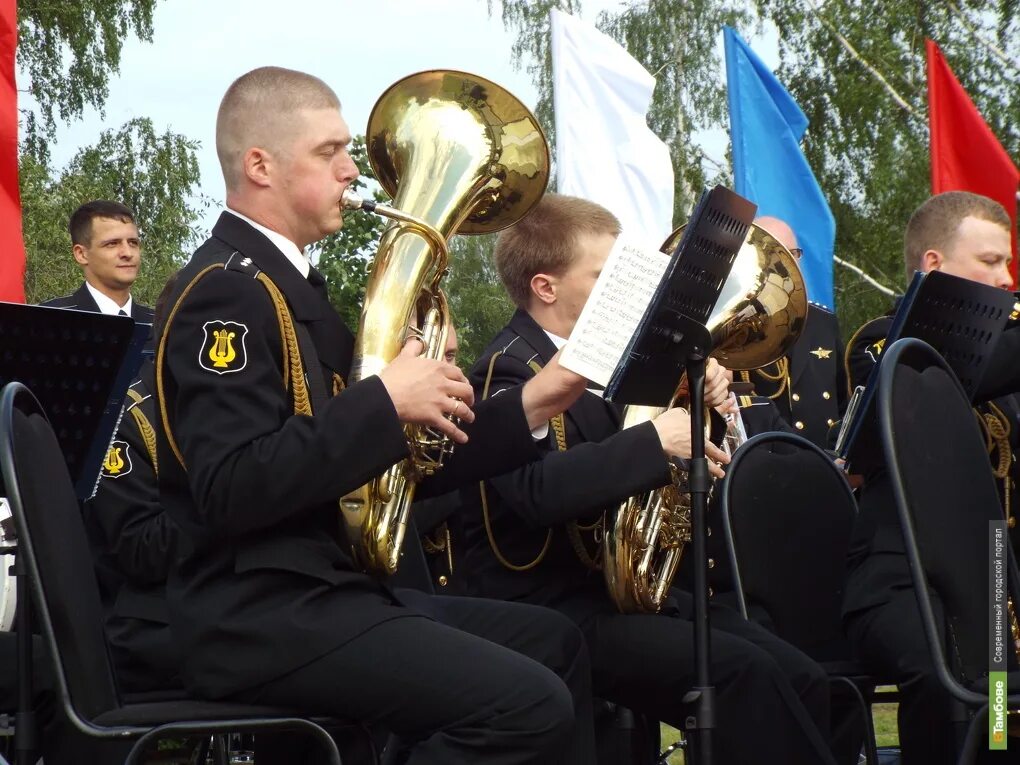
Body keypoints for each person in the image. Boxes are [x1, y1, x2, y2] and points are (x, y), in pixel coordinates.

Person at [155, 65, 597, 764]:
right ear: (260, 166)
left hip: (322, 595)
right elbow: (231, 485)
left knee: (555, 642)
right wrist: (384, 401)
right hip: (258, 613)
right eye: (328, 152)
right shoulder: (226, 293)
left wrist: (532, 403)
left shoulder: (287, 286)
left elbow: (388, 469)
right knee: (526, 705)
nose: (351, 169)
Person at [458, 193, 839, 764]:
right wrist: (653, 440)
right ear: (546, 287)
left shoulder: (616, 359)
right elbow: (535, 494)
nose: (627, 291)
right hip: (553, 604)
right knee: (743, 677)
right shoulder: (506, 368)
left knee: (807, 678)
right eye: (605, 275)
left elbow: (667, 469)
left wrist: (703, 397)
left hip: (629, 595)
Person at [843, 191, 1018, 763]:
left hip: (993, 581)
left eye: (1009, 263)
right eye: (990, 262)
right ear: (935, 265)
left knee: (996, 693)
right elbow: (943, 375)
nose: (1007, 279)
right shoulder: (880, 344)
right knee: (957, 676)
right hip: (906, 580)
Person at [83, 275, 182, 695]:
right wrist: (244, 491)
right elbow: (140, 548)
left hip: (223, 601)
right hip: (153, 621)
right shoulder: (128, 416)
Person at [739, 216, 846, 448]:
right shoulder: (733, 328)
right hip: (764, 466)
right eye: (775, 253)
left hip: (824, 468)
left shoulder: (824, 322)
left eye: (792, 254)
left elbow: (843, 407)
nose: (786, 264)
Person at [41, 200, 154, 327]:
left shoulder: (162, 325)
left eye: (133, 242)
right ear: (81, 254)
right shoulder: (47, 319)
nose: (127, 253)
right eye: (112, 244)